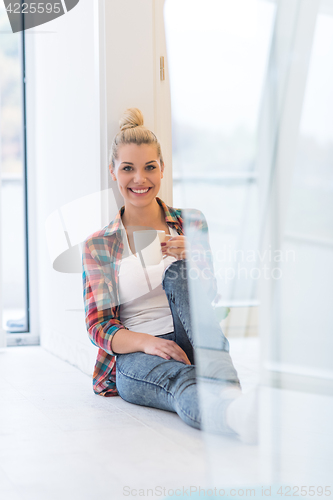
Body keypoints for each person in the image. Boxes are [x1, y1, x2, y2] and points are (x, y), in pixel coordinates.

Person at [82, 108, 257, 443]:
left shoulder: (190, 222)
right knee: (182, 379)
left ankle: (232, 398)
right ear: (113, 172)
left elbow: (209, 298)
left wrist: (195, 255)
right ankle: (235, 412)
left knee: (180, 273)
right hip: (137, 353)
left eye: (150, 167)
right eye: (128, 169)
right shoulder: (99, 245)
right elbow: (98, 326)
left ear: (162, 168)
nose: (139, 179)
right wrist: (150, 343)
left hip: (195, 336)